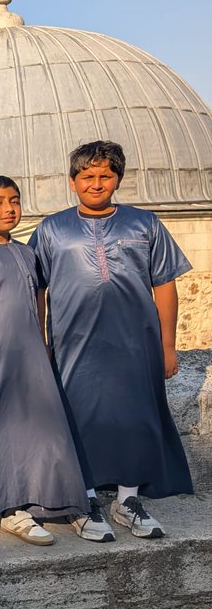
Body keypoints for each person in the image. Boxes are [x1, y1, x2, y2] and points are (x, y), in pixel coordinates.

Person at [30, 141, 194, 538]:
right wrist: (40, 343)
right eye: (87, 176)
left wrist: (167, 346)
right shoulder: (52, 229)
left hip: (135, 343)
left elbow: (165, 284)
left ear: (118, 179)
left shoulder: (145, 224)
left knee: (136, 417)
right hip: (74, 344)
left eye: (105, 175)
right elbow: (36, 289)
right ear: (73, 182)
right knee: (78, 417)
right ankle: (84, 500)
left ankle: (127, 500)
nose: (96, 183)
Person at [0, 176, 96, 556]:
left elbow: (37, 298)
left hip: (27, 356)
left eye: (14, 200)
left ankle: (17, 507)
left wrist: (42, 343)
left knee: (26, 433)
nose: (9, 209)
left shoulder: (27, 253)